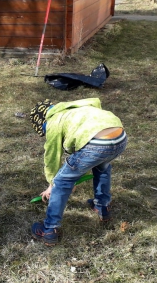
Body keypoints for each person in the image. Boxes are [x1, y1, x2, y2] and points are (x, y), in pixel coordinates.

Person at [29, 98, 127, 246]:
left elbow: (52, 157)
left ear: (43, 121)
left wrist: (52, 183)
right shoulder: (76, 108)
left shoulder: (53, 122)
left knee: (62, 182)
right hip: (119, 136)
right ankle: (102, 207)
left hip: (97, 143)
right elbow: (96, 101)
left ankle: (49, 230)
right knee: (102, 167)